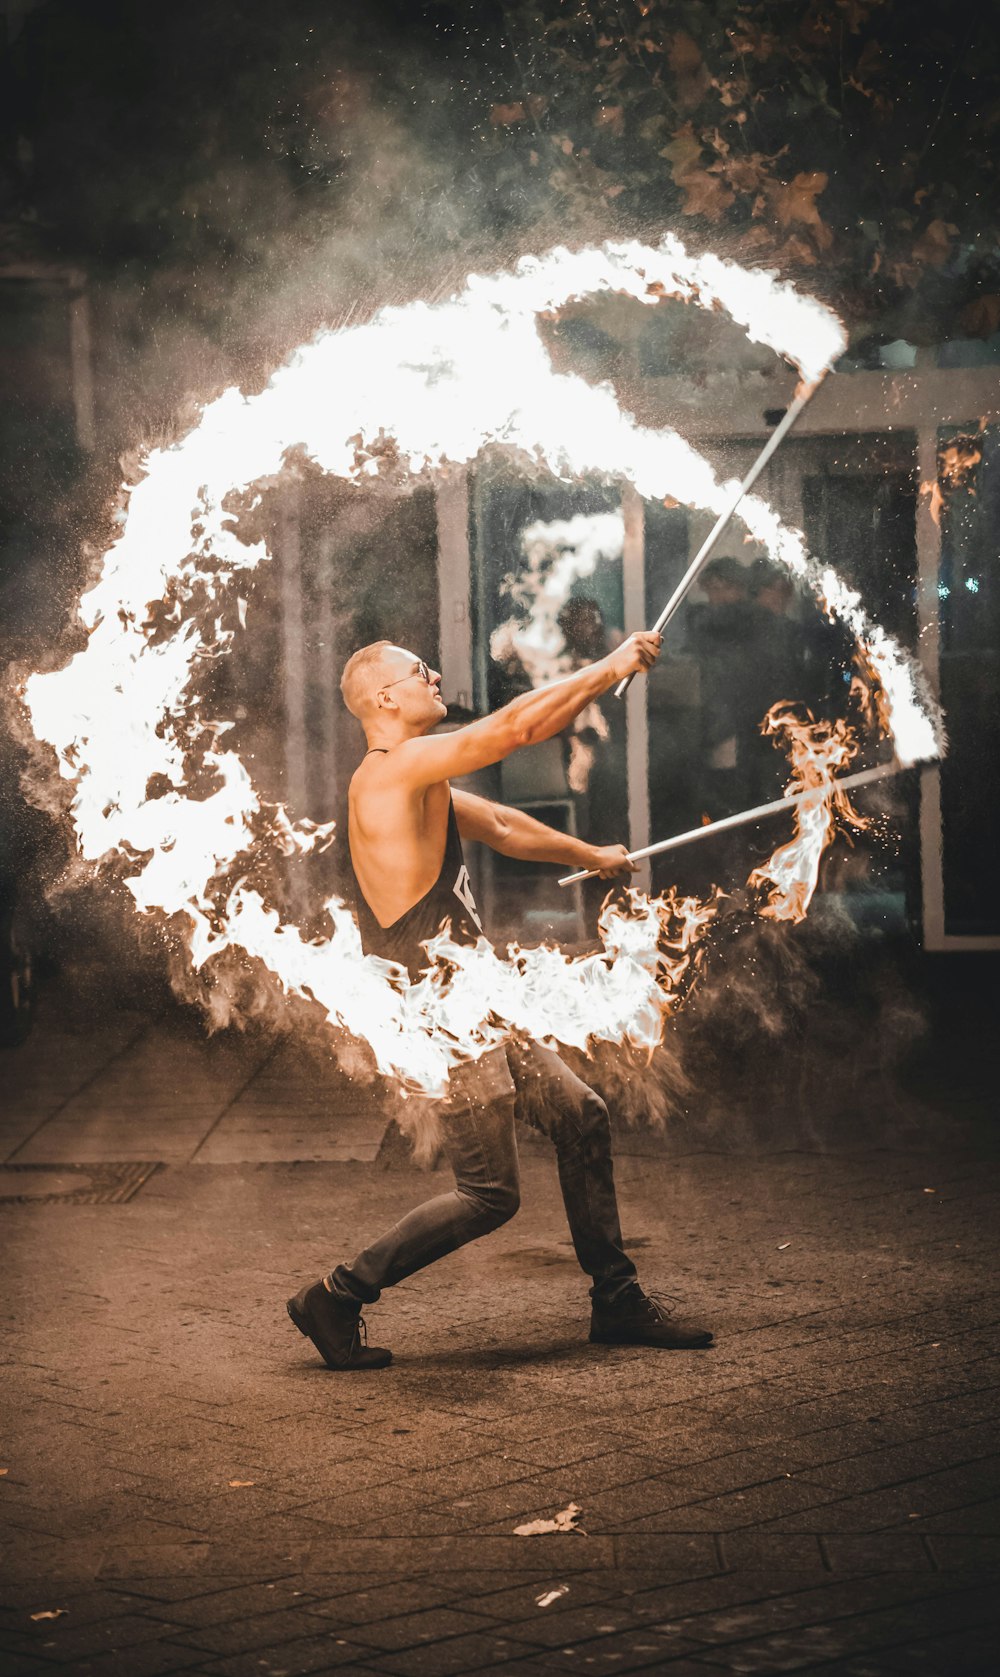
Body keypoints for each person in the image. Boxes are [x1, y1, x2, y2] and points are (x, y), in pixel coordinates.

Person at [287, 635, 714, 1369]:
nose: (435, 676)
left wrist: (594, 858)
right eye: (420, 670)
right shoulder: (391, 772)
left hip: (470, 999)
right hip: (442, 1014)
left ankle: (615, 1299)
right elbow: (514, 729)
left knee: (581, 1114)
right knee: (490, 1193)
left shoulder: (422, 782)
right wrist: (609, 669)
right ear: (385, 697)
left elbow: (507, 827)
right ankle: (337, 1292)